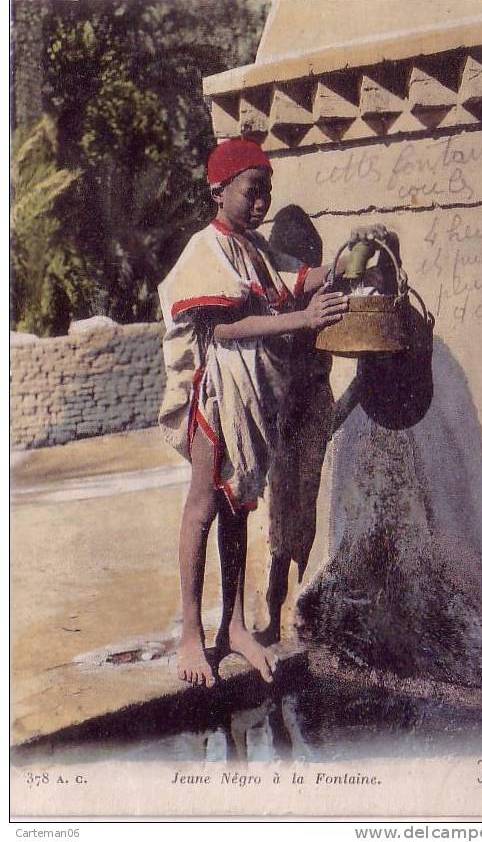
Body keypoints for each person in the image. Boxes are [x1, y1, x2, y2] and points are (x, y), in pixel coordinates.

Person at [158, 136, 389, 687]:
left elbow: (295, 280)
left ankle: (233, 626)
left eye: (266, 192)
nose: (260, 203)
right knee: (203, 506)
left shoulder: (252, 248)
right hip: (215, 393)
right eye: (251, 191)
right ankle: (192, 634)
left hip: (252, 394)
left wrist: (347, 259)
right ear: (219, 190)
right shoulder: (204, 249)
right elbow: (221, 327)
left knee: (237, 505)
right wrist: (301, 322)